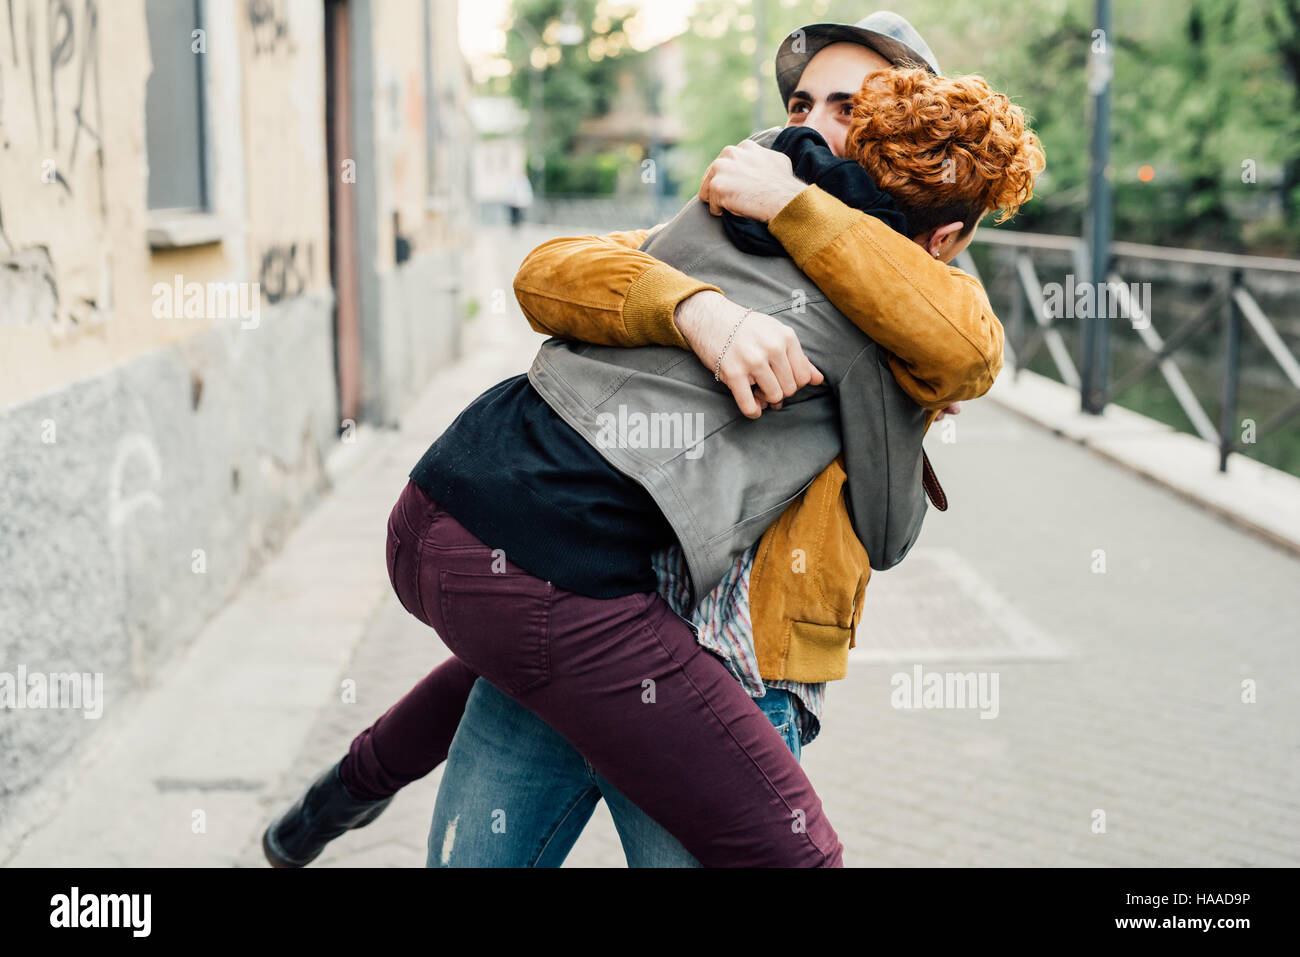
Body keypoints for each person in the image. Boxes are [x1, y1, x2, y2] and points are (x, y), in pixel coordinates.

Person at [263, 13, 1044, 868]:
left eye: (849, 108)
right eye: (799, 100)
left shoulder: (924, 295)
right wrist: (693, 309)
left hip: (743, 660)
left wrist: (796, 208)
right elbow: (551, 270)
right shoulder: (722, 224)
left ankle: (349, 787)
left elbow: (964, 352)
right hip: (603, 587)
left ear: (910, 140)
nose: (810, 124)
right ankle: (347, 789)